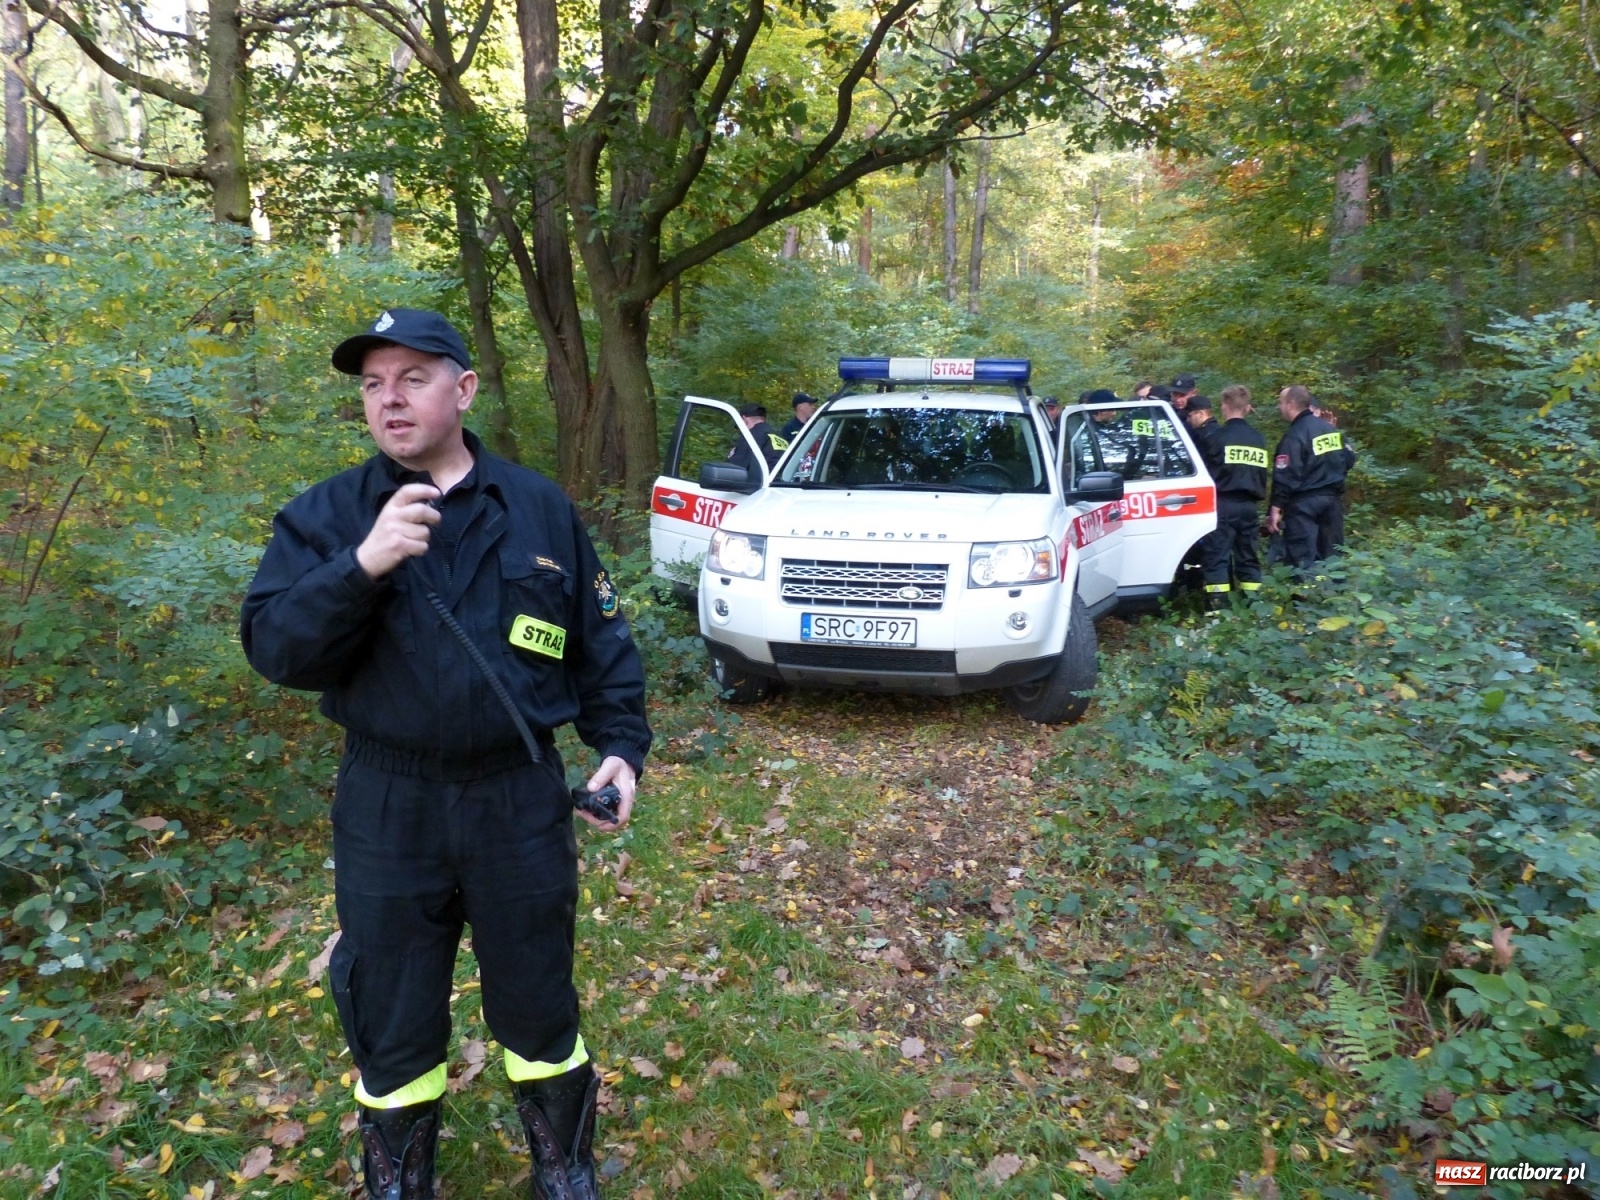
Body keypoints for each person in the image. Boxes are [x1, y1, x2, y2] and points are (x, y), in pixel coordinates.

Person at [240, 309, 652, 1200]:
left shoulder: (539, 507)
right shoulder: (325, 517)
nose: (388, 399)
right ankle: (399, 1181)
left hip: (518, 796)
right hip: (391, 801)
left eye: (412, 378)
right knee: (389, 1007)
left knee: (539, 997)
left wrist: (620, 746)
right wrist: (362, 565)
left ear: (462, 389)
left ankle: (564, 1169)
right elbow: (275, 650)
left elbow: (602, 644)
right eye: (371, 384)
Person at [1267, 384, 1357, 571]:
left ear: (1291, 404)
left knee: (1302, 558)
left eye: (1281, 402)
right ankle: (1334, 597)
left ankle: (1305, 597)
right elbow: (1348, 460)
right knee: (1332, 556)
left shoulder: (1295, 434)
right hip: (1332, 503)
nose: (1278, 407)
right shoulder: (1330, 430)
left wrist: (1276, 507)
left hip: (1303, 505)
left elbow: (1286, 474)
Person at [1201, 385, 1269, 599]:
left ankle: (1218, 610)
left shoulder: (1216, 437)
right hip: (1250, 507)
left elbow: (1205, 474)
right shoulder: (1258, 439)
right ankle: (1254, 606)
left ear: (1224, 406)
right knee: (1248, 557)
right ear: (1247, 408)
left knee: (1217, 556)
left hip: (1222, 504)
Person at [731, 402, 788, 478]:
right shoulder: (780, 437)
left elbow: (733, 471)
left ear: (744, 420)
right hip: (783, 485)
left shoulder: (750, 437)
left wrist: (732, 456)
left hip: (760, 487)